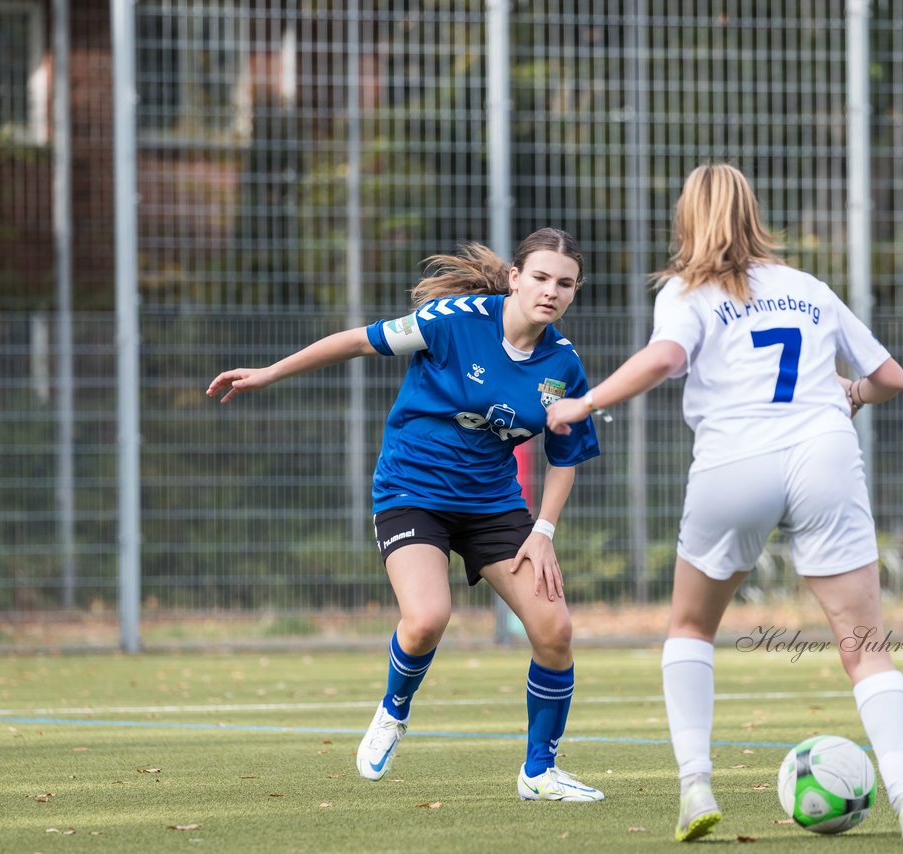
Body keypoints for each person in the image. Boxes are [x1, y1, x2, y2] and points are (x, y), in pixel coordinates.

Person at [546, 164, 903, 843]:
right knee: (864, 645)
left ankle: (694, 789)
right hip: (823, 452)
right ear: (754, 213)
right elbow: (890, 377)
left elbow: (663, 359)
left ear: (687, 219)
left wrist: (586, 402)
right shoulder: (808, 288)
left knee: (689, 628)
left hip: (733, 462)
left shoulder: (687, 291)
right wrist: (851, 396)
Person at [208, 228, 606, 802]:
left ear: (574, 293)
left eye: (564, 283)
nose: (551, 291)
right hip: (412, 489)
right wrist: (270, 373)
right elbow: (354, 342)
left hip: (492, 505)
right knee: (426, 619)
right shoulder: (452, 319)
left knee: (555, 630)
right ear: (516, 278)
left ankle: (539, 774)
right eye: (540, 277)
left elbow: (566, 458)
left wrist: (543, 532)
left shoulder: (563, 365)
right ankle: (393, 712)